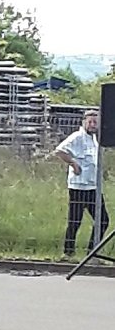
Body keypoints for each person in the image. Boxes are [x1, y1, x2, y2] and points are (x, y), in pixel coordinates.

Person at [55, 109, 109, 257]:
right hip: (79, 187)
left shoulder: (95, 139)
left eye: (95, 122)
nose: (92, 125)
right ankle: (68, 253)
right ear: (84, 122)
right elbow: (59, 151)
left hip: (93, 187)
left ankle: (92, 252)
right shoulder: (77, 137)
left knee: (103, 220)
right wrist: (73, 163)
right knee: (75, 221)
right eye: (90, 122)